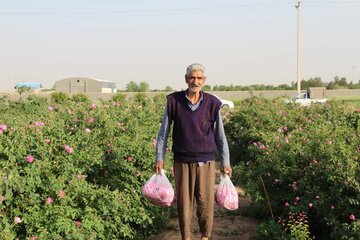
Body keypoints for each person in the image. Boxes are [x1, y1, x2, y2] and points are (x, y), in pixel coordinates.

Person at [155, 63, 232, 240]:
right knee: (184, 204)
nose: (195, 81)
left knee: (205, 202)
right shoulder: (174, 101)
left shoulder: (212, 103)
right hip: (182, 161)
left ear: (204, 81)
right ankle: (186, 237)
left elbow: (221, 135)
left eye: (199, 78)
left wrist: (225, 161)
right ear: (186, 79)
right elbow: (163, 133)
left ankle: (205, 237)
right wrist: (160, 158)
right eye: (192, 77)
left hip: (206, 162)